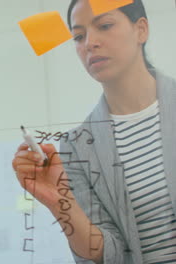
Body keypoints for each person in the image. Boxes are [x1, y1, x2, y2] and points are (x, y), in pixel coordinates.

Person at [12, 0, 176, 263]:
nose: (90, 43)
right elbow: (106, 254)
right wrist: (60, 201)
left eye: (105, 25)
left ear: (141, 30)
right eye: (78, 36)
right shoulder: (77, 146)